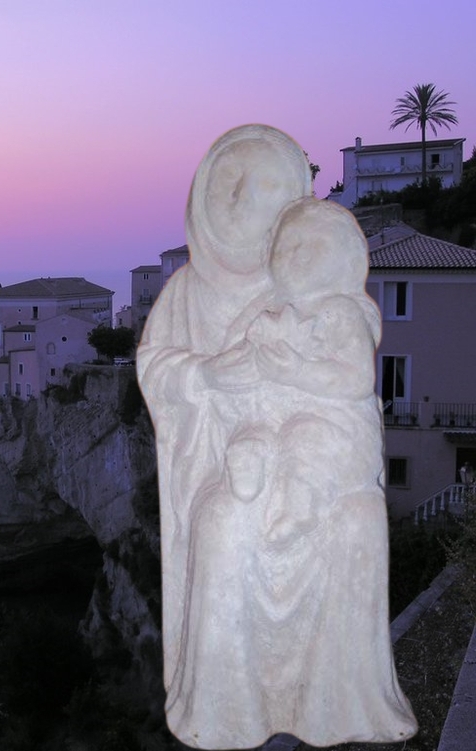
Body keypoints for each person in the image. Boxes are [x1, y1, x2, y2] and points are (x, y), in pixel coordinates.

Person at [138, 127, 416, 748]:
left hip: (319, 467)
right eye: (227, 181)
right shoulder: (183, 294)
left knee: (359, 523)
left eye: (262, 186)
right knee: (221, 525)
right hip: (237, 467)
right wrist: (206, 373)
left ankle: (338, 705)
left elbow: (348, 380)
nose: (238, 198)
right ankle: (223, 709)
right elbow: (155, 367)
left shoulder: (312, 285)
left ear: (291, 205)